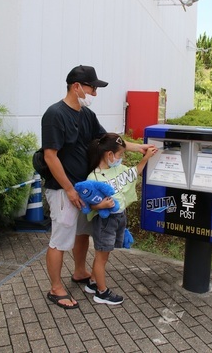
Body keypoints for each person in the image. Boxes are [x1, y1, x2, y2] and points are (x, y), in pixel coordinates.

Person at [42, 65, 153, 309]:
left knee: (82, 232)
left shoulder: (87, 115)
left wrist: (140, 148)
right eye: (92, 88)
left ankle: (80, 272)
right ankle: (55, 288)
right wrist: (70, 190)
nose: (94, 93)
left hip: (87, 190)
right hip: (64, 190)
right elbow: (51, 156)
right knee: (60, 239)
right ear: (76, 86)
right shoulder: (55, 114)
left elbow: (109, 141)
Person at [83, 133, 157, 305]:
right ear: (109, 155)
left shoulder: (118, 169)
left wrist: (145, 158)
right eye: (120, 154)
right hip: (105, 221)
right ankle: (101, 293)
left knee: (103, 254)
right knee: (102, 257)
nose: (121, 158)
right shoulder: (93, 178)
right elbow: (89, 204)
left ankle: (93, 283)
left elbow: (135, 172)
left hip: (118, 218)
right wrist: (101, 206)